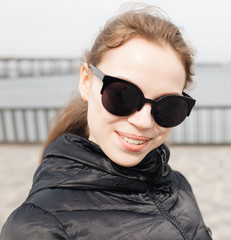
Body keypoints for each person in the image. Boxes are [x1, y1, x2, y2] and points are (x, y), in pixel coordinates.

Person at [0, 5, 212, 240]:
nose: (143, 122)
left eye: (168, 107)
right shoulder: (37, 226)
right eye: (122, 95)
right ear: (86, 82)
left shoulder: (177, 185)